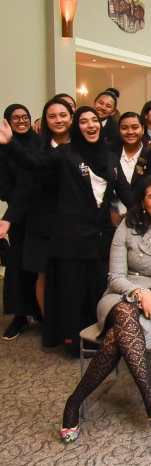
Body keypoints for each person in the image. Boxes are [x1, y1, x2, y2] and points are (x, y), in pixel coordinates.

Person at [60, 174, 151, 443]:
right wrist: (139, 292)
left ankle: (73, 403)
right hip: (120, 294)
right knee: (124, 312)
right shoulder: (128, 226)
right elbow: (115, 276)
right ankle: (148, 396)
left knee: (113, 340)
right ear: (142, 203)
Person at [0, 107, 134, 352]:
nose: (91, 125)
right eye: (84, 121)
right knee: (72, 292)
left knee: (99, 289)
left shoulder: (111, 158)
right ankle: (74, 342)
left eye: (95, 120)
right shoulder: (65, 154)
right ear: (77, 126)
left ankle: (101, 338)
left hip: (101, 237)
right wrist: (9, 144)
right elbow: (33, 163)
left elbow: (126, 191)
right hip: (71, 238)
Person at [22, 98, 73, 321]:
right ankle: (48, 324)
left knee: (69, 276)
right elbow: (25, 183)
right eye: (52, 116)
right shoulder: (35, 147)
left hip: (73, 222)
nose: (58, 120)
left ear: (72, 117)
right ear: (44, 120)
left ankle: (69, 324)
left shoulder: (82, 145)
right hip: (42, 221)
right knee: (43, 275)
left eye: (63, 115)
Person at [0, 104, 39, 339]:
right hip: (19, 215)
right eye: (15, 118)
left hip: (43, 213)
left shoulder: (39, 142)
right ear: (7, 121)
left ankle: (42, 311)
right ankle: (20, 315)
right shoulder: (3, 149)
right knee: (19, 263)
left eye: (25, 116)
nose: (21, 121)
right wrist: (18, 205)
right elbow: (3, 185)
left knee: (40, 265)